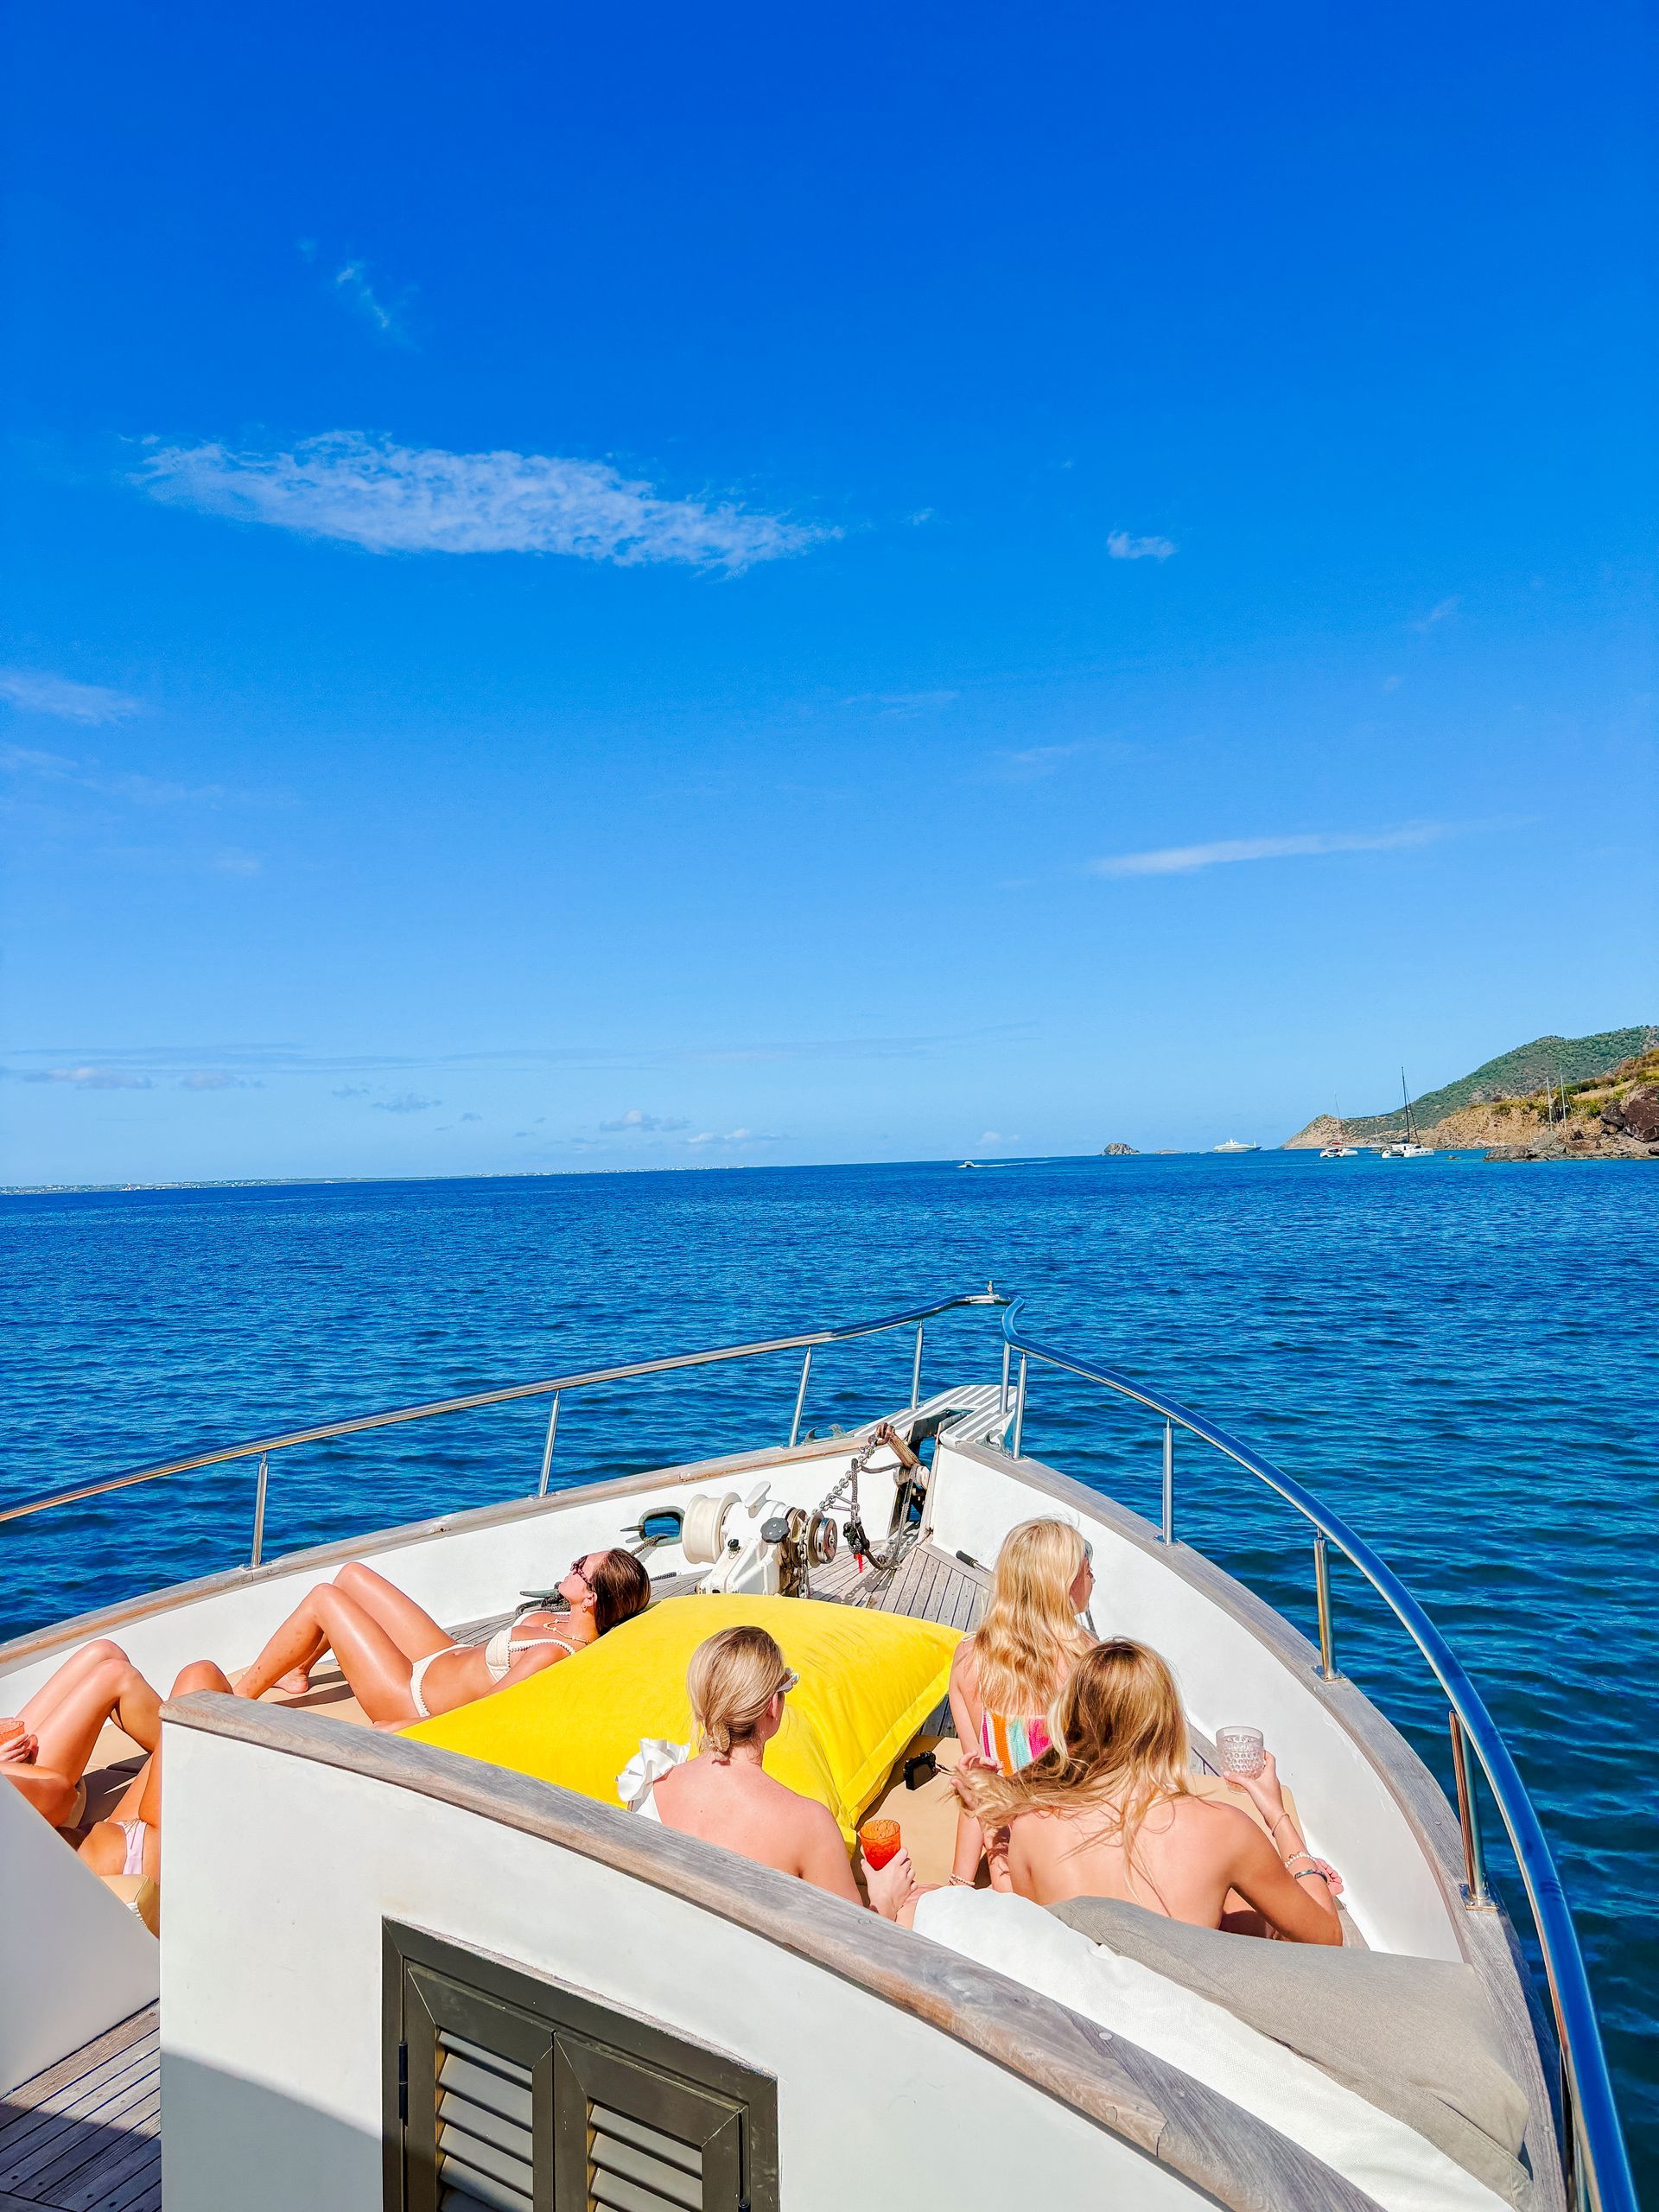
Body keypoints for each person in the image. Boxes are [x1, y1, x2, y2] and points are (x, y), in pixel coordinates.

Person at [955, 1638, 1343, 1943]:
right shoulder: (1226, 1830)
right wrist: (1278, 1819)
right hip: (1175, 2018)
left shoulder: (1030, 1826)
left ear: (1071, 1721)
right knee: (1242, 1902)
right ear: (1168, 1725)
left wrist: (992, 1824)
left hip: (1086, 2016)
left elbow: (1017, 1901)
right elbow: (1324, 1937)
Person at [622, 1624, 913, 1917]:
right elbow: (853, 1949)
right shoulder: (808, 1824)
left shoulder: (650, 1779)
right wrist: (885, 1899)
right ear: (772, 1706)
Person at [232, 1551, 652, 1726]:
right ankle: (299, 1670)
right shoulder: (560, 1621)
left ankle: (233, 1701)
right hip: (444, 1656)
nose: (570, 1566)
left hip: (411, 1696)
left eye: (579, 1566)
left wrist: (405, 1728)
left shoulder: (551, 1654)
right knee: (351, 1577)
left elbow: (481, 1716)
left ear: (591, 1598)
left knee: (325, 1599)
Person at [947, 1517, 1096, 1885]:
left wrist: (959, 1883)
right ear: (1061, 1584)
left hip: (1009, 1869)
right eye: (1084, 1564)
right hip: (1077, 1864)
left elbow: (977, 1786)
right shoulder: (1090, 1663)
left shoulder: (969, 1660)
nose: (1092, 1573)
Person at [0, 1637, 232, 1867]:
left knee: (107, 1654)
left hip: (110, 1846)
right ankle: (193, 1758)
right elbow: (63, 1798)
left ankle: (180, 1754)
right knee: (199, 1677)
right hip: (136, 1855)